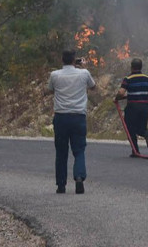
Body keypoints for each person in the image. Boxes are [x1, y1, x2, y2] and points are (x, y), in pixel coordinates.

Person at [47, 49, 96, 194]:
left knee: (61, 152)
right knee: (79, 150)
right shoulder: (84, 73)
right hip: (78, 117)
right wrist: (82, 69)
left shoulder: (54, 75)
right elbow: (93, 86)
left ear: (62, 60)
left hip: (61, 117)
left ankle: (61, 185)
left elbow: (50, 90)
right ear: (75, 60)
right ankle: (79, 177)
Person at [114, 58, 148, 156]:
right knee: (141, 128)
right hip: (144, 107)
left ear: (131, 67)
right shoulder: (147, 78)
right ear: (141, 67)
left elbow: (121, 92)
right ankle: (146, 134)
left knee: (130, 129)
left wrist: (117, 98)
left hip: (132, 107)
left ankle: (135, 151)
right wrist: (146, 96)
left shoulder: (128, 79)